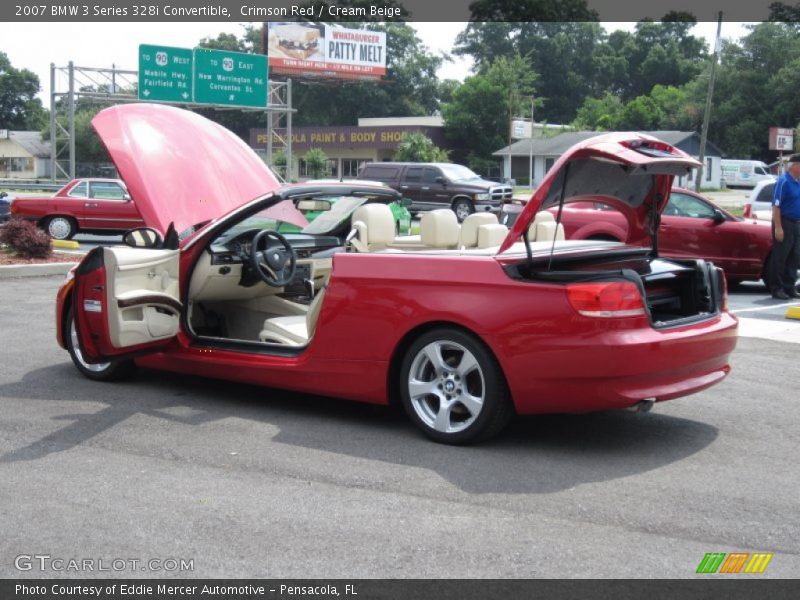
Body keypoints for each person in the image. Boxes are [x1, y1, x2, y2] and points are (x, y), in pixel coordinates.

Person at [770, 154, 800, 299]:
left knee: (794, 257)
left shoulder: (798, 182)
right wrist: (778, 227)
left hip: (796, 224)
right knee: (781, 256)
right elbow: (776, 206)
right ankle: (777, 288)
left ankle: (789, 287)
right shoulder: (783, 181)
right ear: (795, 165)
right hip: (784, 222)